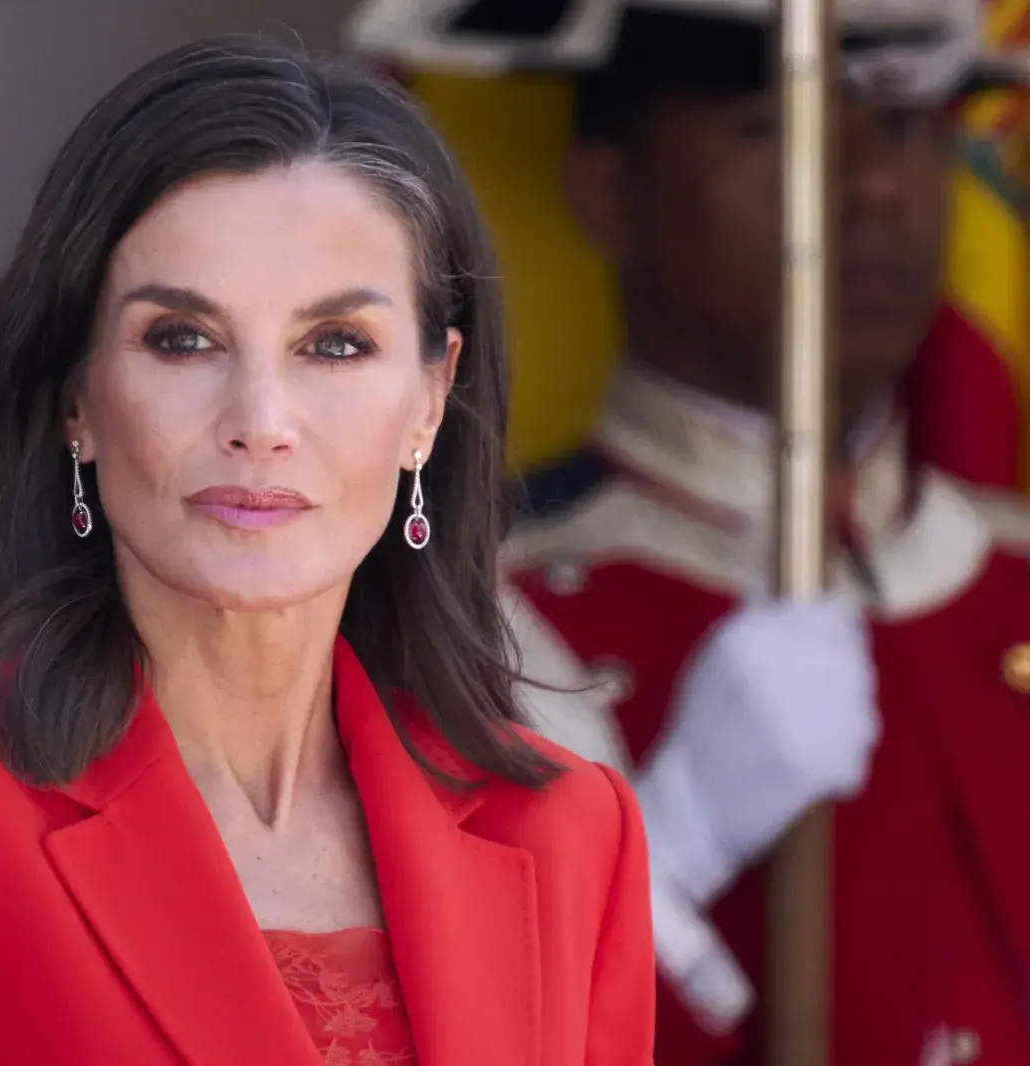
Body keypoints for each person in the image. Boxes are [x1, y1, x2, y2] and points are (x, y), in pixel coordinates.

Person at [0, 37, 656, 1066]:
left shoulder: (571, 830)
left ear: (430, 402)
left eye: (334, 343)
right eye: (180, 337)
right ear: (76, 393)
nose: (259, 419)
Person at [357, 0, 1030, 1063]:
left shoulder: (1009, 567)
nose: (867, 185)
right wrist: (667, 846)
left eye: (902, 128)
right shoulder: (475, 617)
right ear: (610, 189)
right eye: (776, 124)